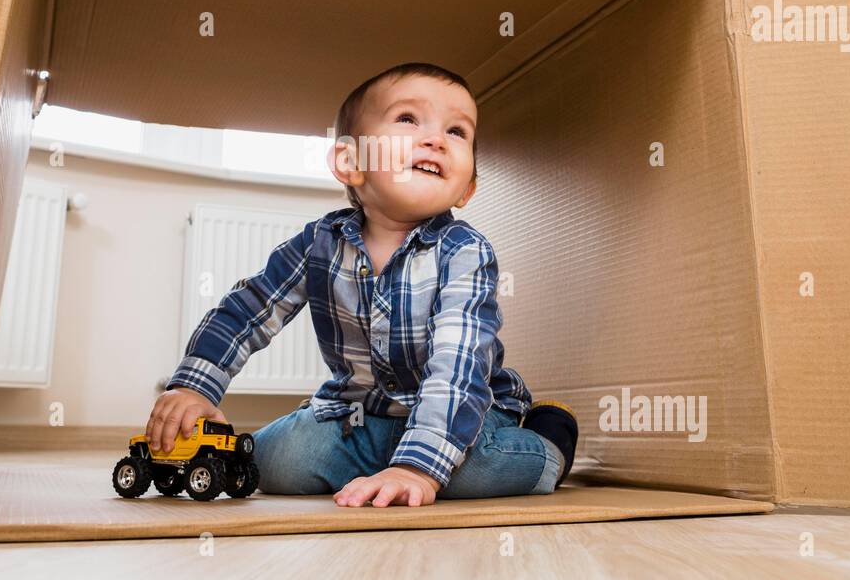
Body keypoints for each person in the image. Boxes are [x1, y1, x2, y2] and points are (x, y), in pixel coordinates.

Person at [146, 62, 578, 507]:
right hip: (359, 415)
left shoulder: (465, 251)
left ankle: (550, 438)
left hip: (461, 412)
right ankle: (380, 461)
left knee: (472, 473)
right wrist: (195, 388)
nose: (435, 138)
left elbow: (458, 365)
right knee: (268, 464)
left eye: (457, 131)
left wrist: (419, 469)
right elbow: (248, 309)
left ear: (467, 187)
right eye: (408, 119)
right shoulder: (319, 243)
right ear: (350, 162)